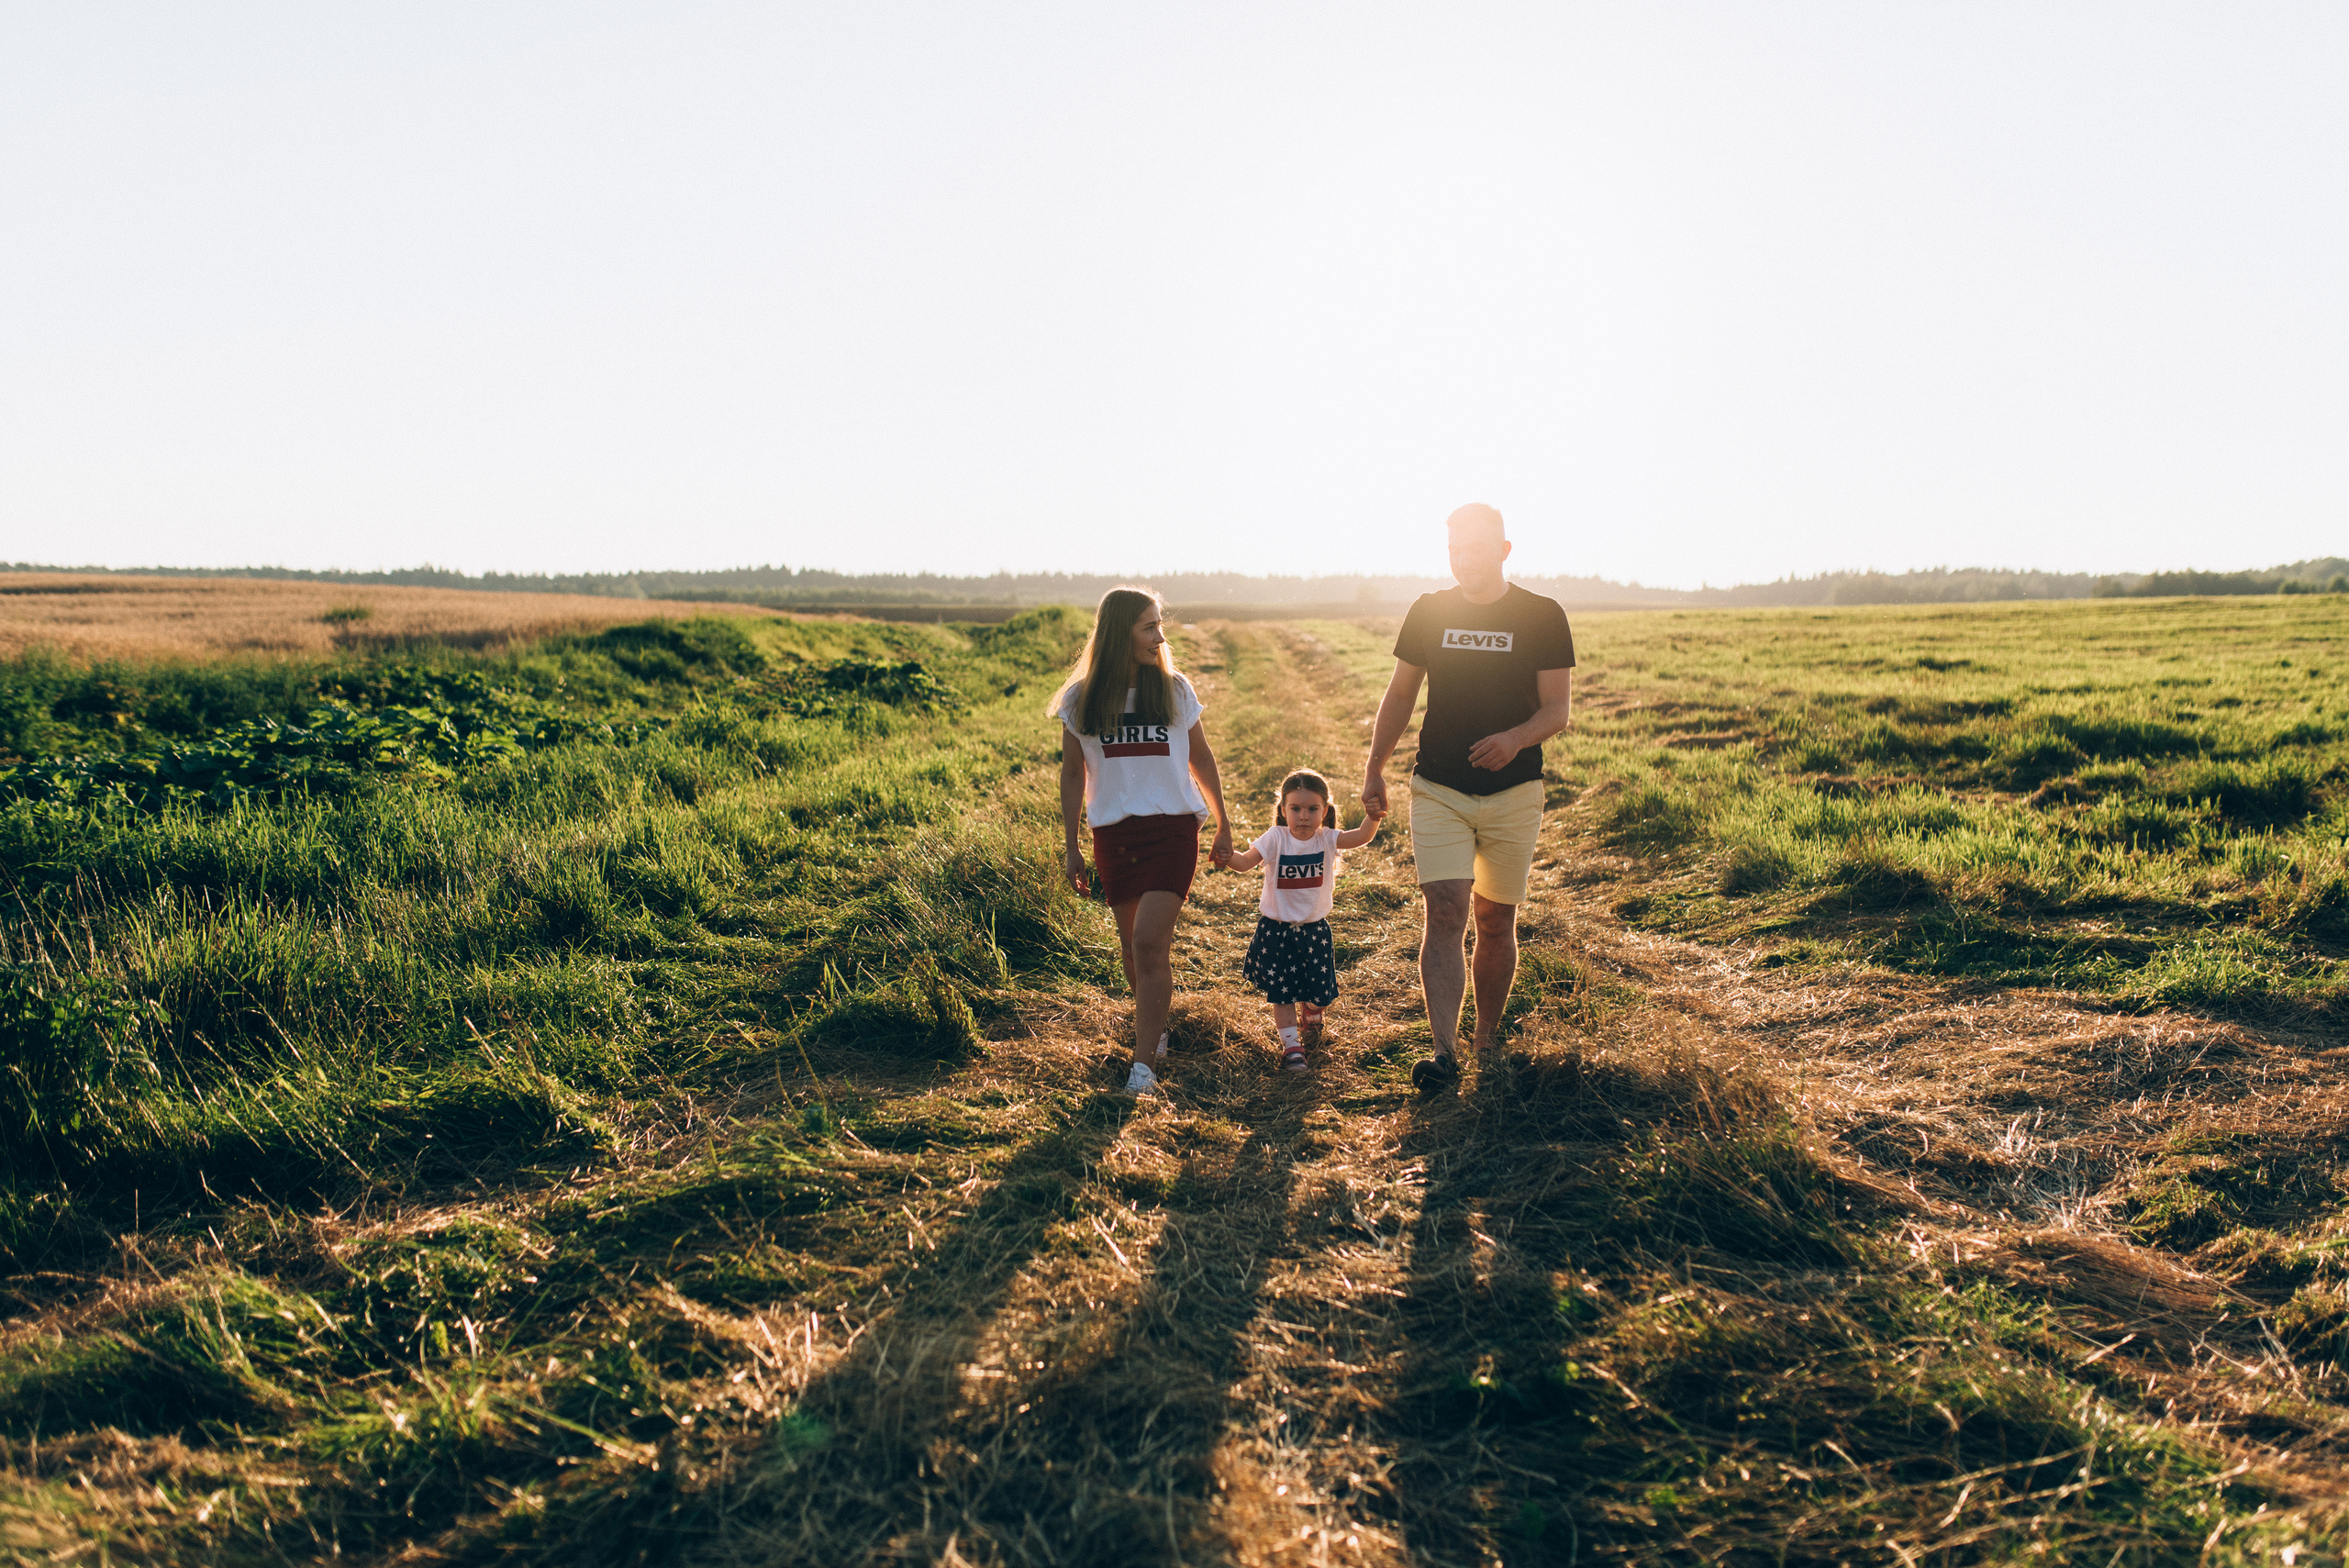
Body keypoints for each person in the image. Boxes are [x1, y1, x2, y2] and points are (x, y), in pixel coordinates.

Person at [1360, 504, 1575, 1092]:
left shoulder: (1542, 616)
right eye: (1454, 547)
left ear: (1504, 551)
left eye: (1475, 548)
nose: (1462, 558)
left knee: (1496, 920)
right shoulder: (1430, 611)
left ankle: (1485, 1040)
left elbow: (1557, 708)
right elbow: (1401, 693)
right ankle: (1444, 1051)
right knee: (1448, 910)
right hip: (1439, 788)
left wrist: (1515, 739)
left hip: (1515, 791)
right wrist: (1375, 767)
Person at [1053, 587, 1234, 1095]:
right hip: (1114, 834)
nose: (1160, 637)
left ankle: (1144, 1068)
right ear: (1118, 634)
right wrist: (1071, 846)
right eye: (1148, 627)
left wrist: (1221, 821)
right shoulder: (1080, 699)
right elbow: (1071, 775)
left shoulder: (1173, 690)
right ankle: (1156, 1032)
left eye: (1159, 625)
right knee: (1133, 951)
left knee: (1150, 942)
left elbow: (1201, 757)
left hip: (1172, 830)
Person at [1225, 769, 1385, 1073]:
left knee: (1320, 993)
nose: (1303, 816)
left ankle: (1312, 1013)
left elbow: (1362, 836)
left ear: (1325, 811)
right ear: (1283, 811)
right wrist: (1225, 854)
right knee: (1282, 992)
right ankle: (1292, 1048)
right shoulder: (1276, 838)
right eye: (1295, 809)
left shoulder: (1327, 839)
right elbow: (1245, 862)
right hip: (1278, 931)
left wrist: (1373, 816)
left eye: (1312, 809)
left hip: (1315, 931)